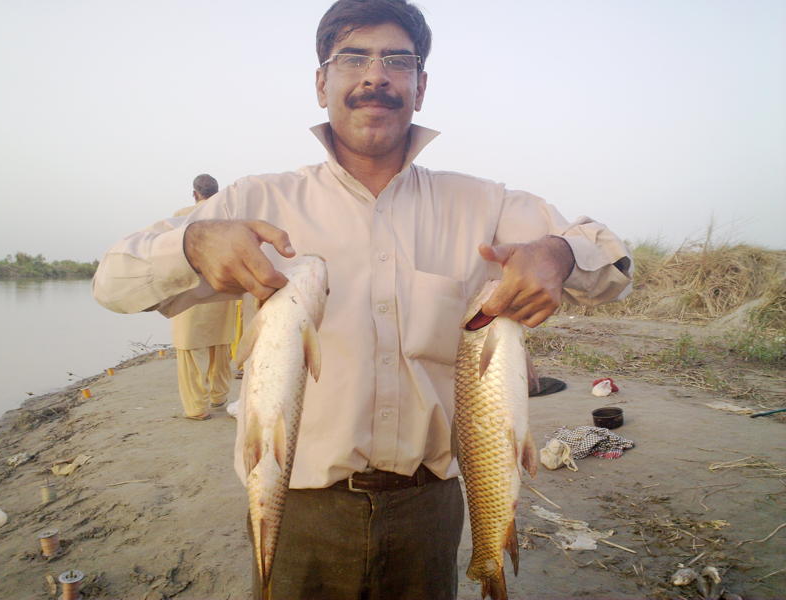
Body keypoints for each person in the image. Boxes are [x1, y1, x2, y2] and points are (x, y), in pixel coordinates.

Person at [93, 1, 632, 597]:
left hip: (433, 507)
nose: (375, 75)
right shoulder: (256, 200)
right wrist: (193, 243)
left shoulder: (485, 205)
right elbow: (112, 283)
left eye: (397, 60)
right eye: (352, 58)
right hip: (297, 506)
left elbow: (611, 265)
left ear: (420, 87)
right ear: (322, 82)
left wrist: (557, 253)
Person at [169, 174, 236, 421]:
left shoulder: (182, 215)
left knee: (191, 351)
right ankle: (219, 397)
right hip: (221, 290)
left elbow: (171, 255)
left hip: (190, 292)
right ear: (217, 194)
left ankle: (197, 408)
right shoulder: (228, 217)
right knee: (219, 347)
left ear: (195, 194)